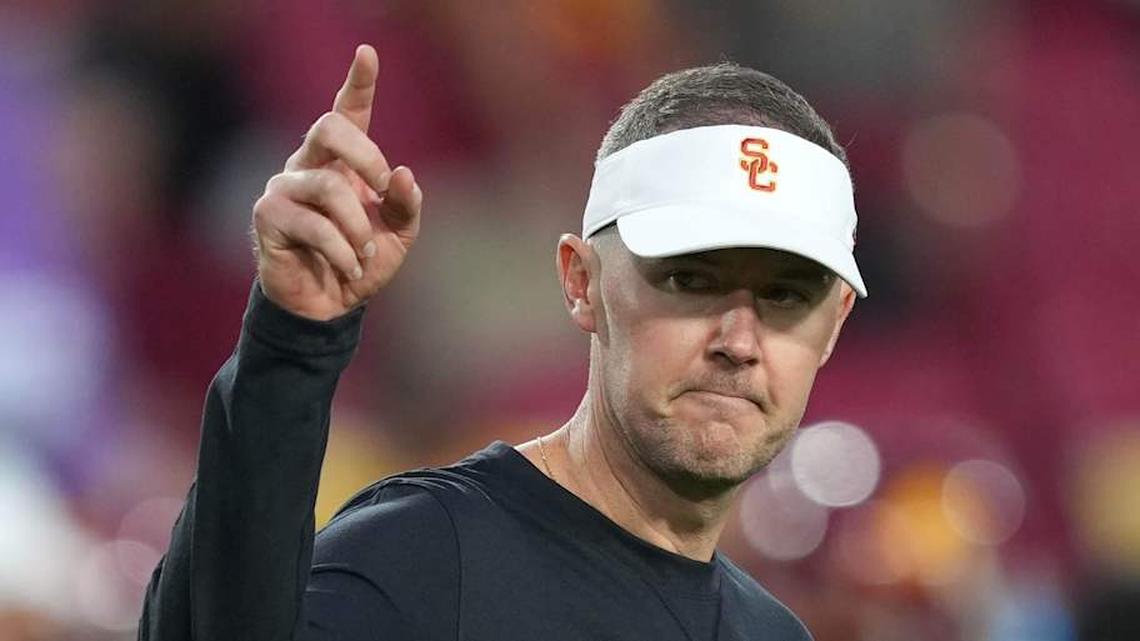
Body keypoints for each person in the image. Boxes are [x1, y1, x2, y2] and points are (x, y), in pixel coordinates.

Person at [139, 43, 864, 641]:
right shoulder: (430, 560)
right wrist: (289, 343)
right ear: (580, 282)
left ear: (832, 323)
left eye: (785, 296)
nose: (738, 340)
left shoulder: (773, 632)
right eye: (692, 280)